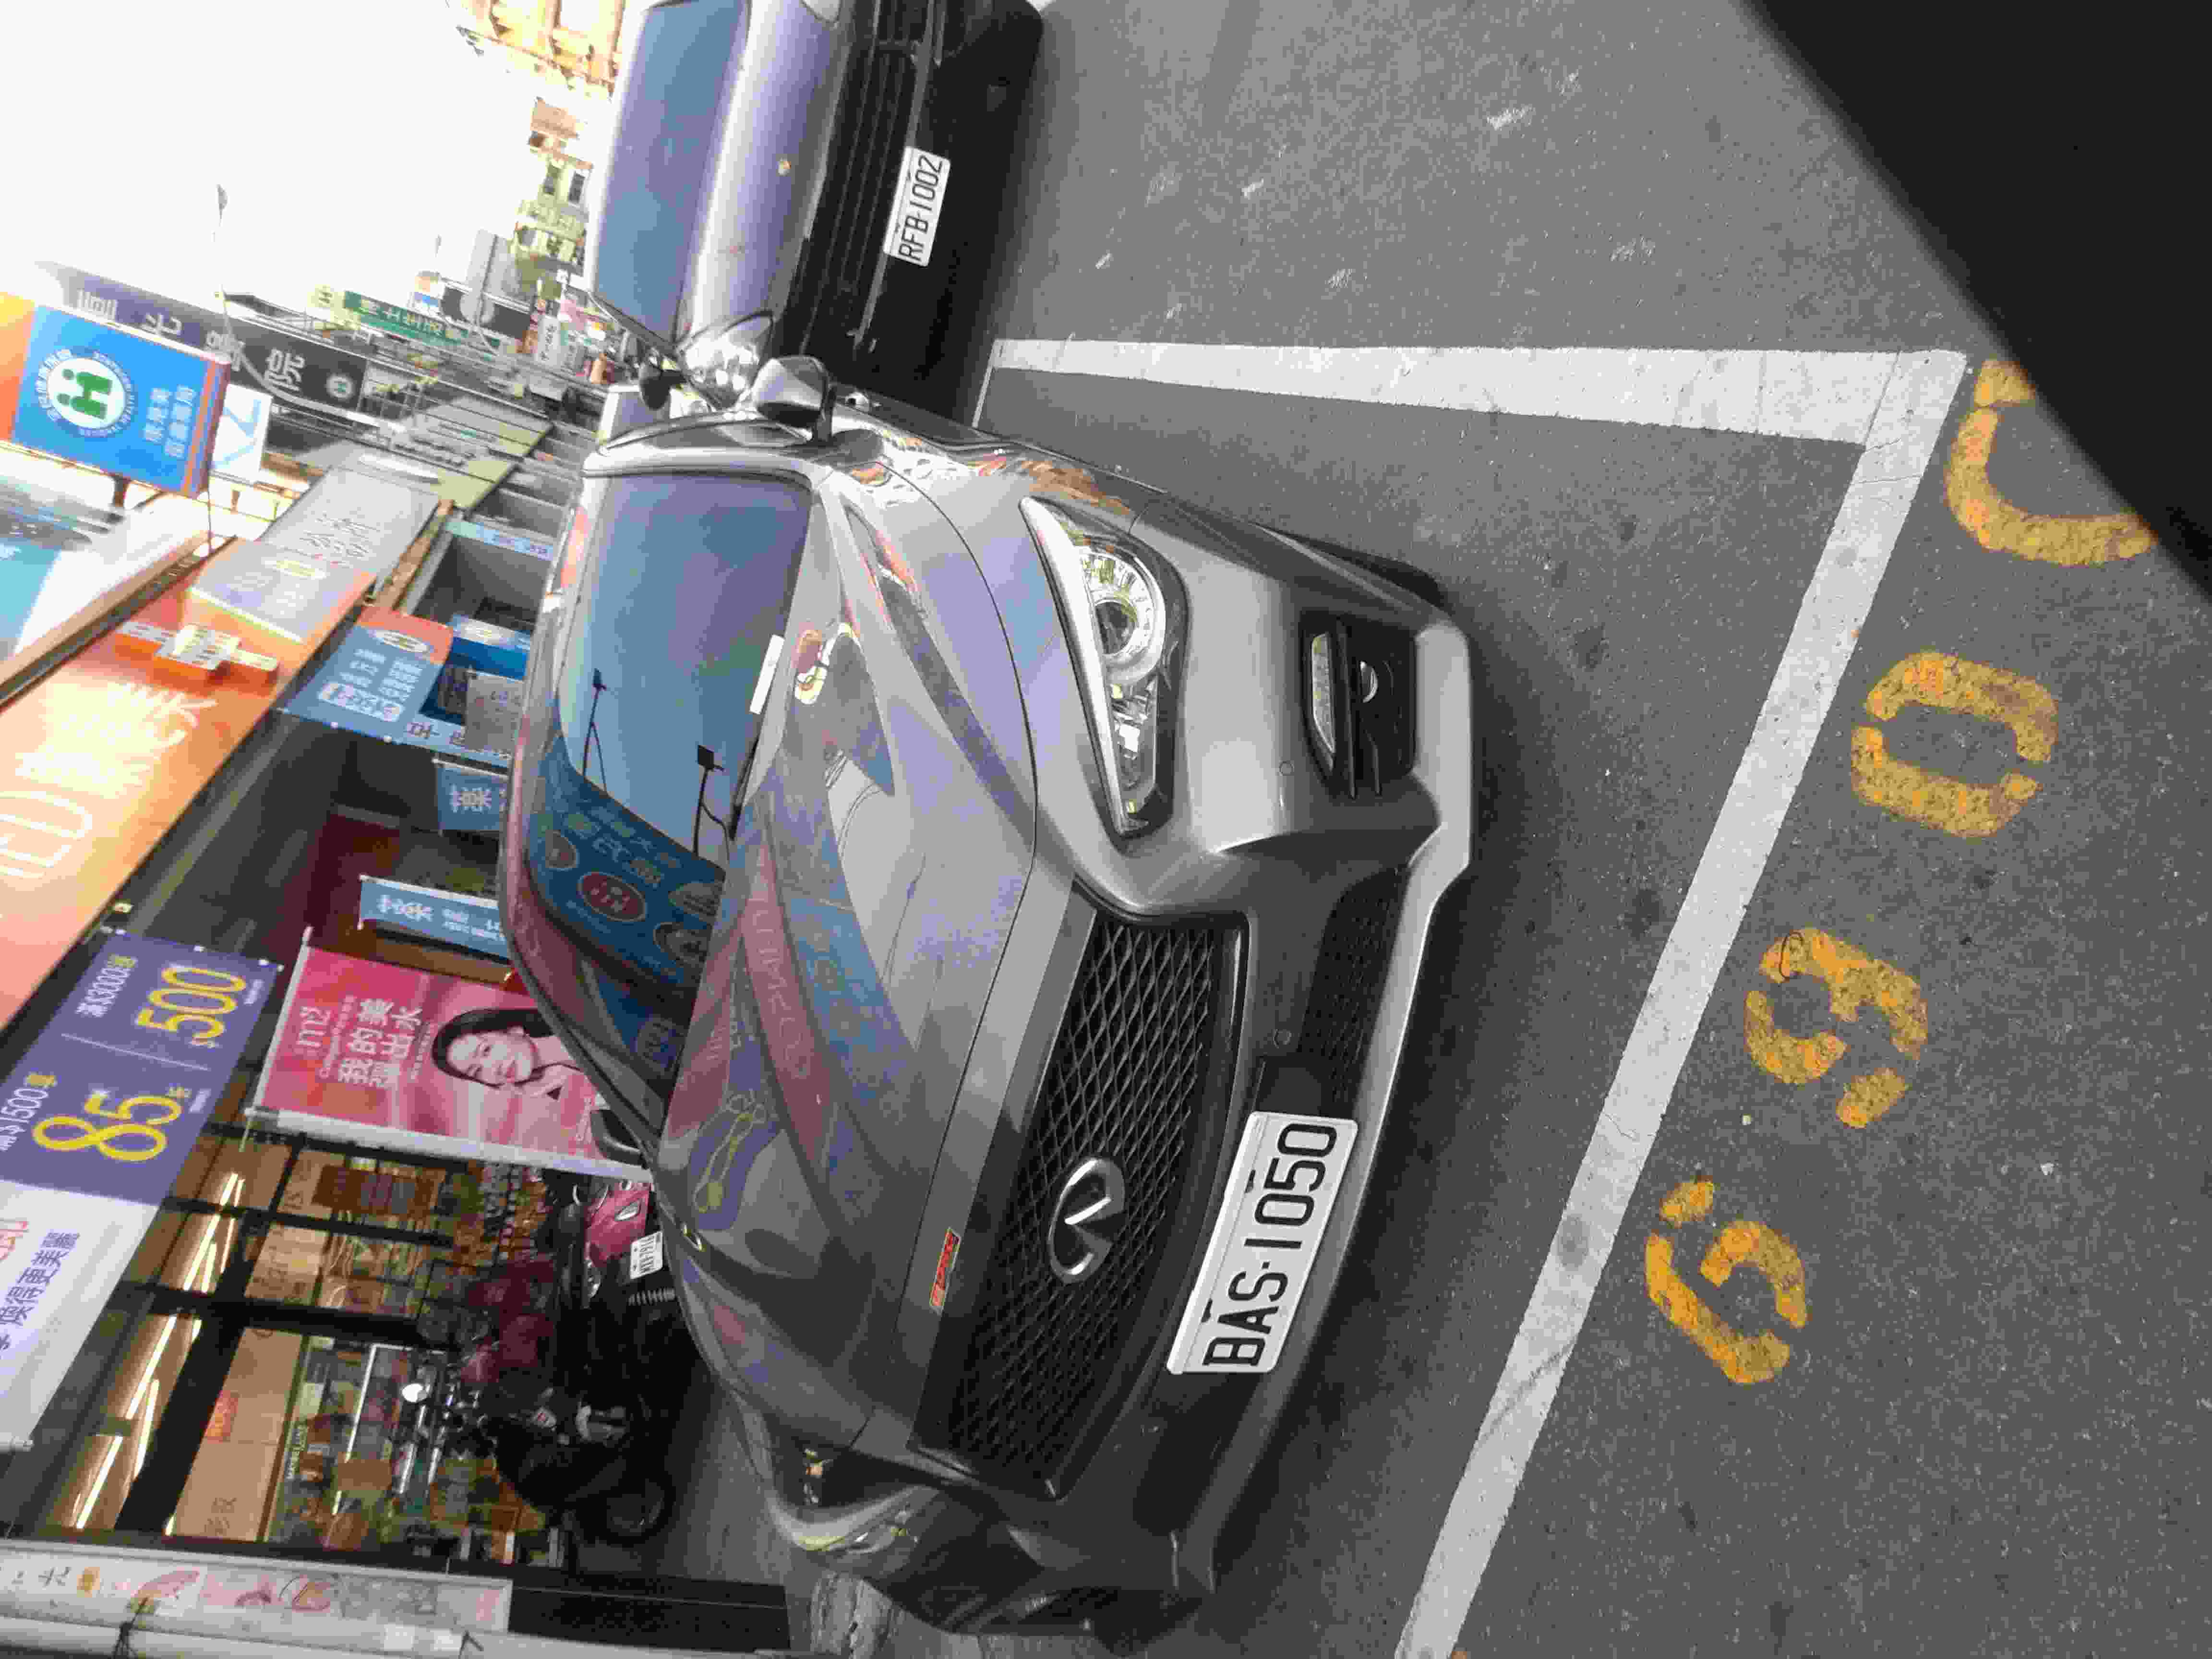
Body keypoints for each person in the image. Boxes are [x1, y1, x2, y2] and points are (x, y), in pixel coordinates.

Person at [428, 1007, 585, 1104]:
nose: (492, 1068)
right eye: (477, 1072)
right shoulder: (560, 1088)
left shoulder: (578, 1015)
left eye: (486, 1050)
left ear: (513, 1030)